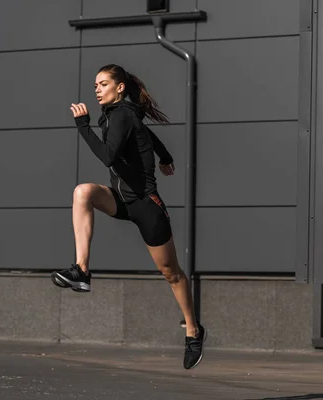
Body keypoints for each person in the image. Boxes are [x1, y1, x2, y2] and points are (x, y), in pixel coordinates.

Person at [50, 63, 206, 370]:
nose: (97, 89)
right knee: (83, 192)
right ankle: (81, 270)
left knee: (171, 273)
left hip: (147, 206)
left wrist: (82, 126)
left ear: (120, 87)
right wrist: (165, 156)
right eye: (95, 84)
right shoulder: (118, 114)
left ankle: (193, 330)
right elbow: (144, 132)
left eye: (103, 84)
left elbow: (108, 155)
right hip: (121, 198)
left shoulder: (121, 114)